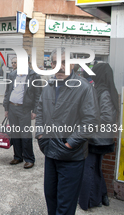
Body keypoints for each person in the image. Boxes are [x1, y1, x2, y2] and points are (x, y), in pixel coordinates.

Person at [35, 47, 99, 215]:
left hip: (71, 156)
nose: (59, 66)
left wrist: (70, 143)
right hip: (50, 151)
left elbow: (90, 121)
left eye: (64, 62)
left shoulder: (84, 88)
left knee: (65, 204)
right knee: (51, 198)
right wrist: (41, 135)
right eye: (55, 62)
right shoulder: (49, 85)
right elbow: (40, 111)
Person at [79, 63, 118, 210]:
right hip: (100, 138)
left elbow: (106, 118)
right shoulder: (104, 90)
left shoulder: (104, 92)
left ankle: (89, 201)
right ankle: (102, 196)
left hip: (96, 139)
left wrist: (88, 123)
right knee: (96, 169)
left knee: (88, 169)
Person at [2, 57, 41, 169]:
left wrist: (35, 111)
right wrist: (6, 108)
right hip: (12, 107)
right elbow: (8, 91)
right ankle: (18, 157)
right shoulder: (12, 75)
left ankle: (29, 159)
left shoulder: (34, 76)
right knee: (15, 133)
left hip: (25, 109)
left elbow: (38, 95)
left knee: (25, 135)